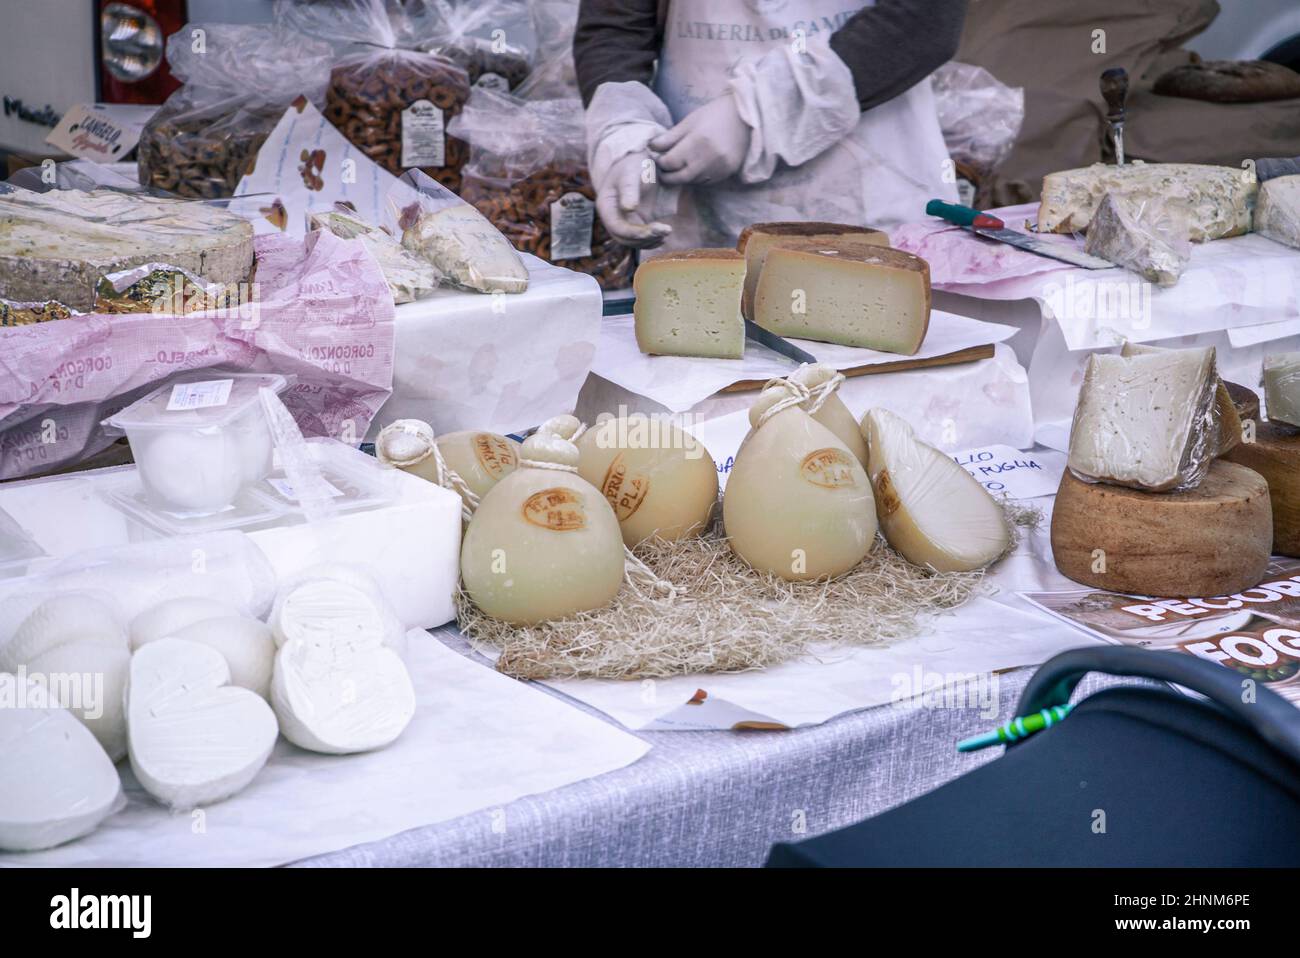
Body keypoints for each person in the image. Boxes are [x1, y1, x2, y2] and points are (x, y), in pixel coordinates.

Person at [575, 0, 969, 251]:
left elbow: (925, 18)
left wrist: (760, 111)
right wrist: (625, 133)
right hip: (699, 217)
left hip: (869, 204)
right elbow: (615, 28)